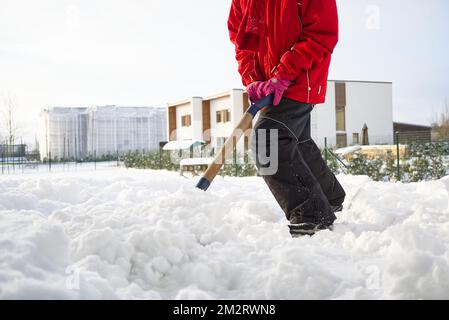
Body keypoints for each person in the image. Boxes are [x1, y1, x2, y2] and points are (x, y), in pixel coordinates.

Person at [228, 0, 346, 237]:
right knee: (296, 142)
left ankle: (311, 214)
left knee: (267, 139)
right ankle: (329, 196)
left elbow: (322, 34)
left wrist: (284, 73)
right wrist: (253, 78)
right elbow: (242, 41)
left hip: (301, 77)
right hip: (269, 83)